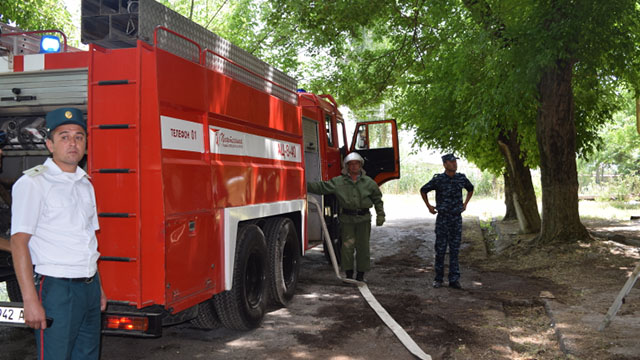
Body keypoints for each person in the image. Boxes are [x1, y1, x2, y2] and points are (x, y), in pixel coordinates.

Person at [10, 107, 107, 359]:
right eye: (64, 136)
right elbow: (19, 242)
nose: (72, 143)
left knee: (88, 355)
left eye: (79, 136)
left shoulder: (85, 184)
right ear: (49, 145)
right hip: (57, 289)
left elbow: (86, 239)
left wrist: (99, 287)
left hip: (89, 286)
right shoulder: (33, 184)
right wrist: (30, 301)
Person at [307, 152, 385, 282]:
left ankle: (360, 275)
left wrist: (380, 215)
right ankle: (348, 275)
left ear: (361, 165)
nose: (354, 166)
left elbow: (377, 199)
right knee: (347, 248)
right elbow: (322, 187)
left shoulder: (369, 183)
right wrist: (303, 184)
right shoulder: (338, 182)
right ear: (347, 166)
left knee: (363, 247)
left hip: (363, 219)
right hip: (347, 219)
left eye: (356, 164)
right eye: (351, 164)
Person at [420, 153, 474, 290]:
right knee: (440, 249)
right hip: (443, 218)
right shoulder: (439, 180)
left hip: (456, 218)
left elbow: (470, 188)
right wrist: (429, 206)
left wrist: (465, 204)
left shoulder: (461, 178)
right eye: (451, 162)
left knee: (455, 249)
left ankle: (454, 279)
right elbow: (423, 190)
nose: (454, 164)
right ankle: (438, 279)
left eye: (455, 161)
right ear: (445, 164)